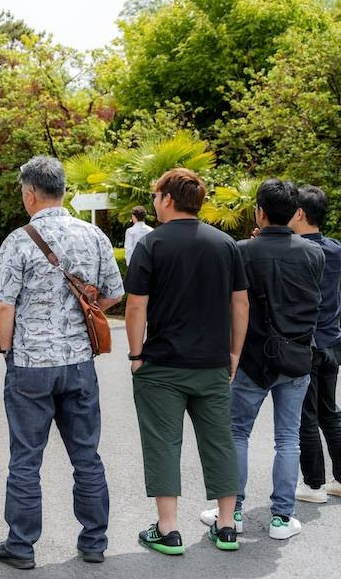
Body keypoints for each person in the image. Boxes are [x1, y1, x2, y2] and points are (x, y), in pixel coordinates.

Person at [0, 156, 124, 570]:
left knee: (26, 459)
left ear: (30, 193)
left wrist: (7, 348)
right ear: (63, 190)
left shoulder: (20, 240)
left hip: (30, 363)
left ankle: (22, 547)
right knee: (87, 456)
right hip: (80, 361)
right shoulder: (94, 235)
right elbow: (113, 296)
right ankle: (94, 541)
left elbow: (4, 305)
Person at [126, 168, 249, 555]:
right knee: (220, 442)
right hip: (213, 363)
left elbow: (136, 305)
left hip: (161, 363)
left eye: (157, 196)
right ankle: (227, 526)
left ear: (167, 199)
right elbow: (240, 303)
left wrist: (135, 354)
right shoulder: (225, 243)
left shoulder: (152, 244)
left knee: (163, 443)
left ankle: (169, 530)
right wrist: (234, 353)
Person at [204, 179, 323, 541]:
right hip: (296, 356)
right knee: (288, 439)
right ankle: (281, 519)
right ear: (295, 213)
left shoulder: (241, 251)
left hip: (251, 358)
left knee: (236, 433)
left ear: (259, 211)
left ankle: (233, 512)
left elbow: (228, 304)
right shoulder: (313, 253)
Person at [289, 186, 341, 503]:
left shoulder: (295, 250)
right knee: (329, 412)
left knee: (306, 416)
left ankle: (313, 486)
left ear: (299, 213)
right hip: (333, 341)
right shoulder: (336, 249)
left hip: (305, 344)